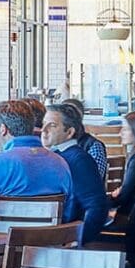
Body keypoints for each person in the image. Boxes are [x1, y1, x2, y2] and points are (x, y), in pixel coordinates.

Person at [0, 99, 75, 221]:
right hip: (50, 239)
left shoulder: (0, 162)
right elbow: (68, 213)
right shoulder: (60, 162)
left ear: (3, 129)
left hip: (3, 237)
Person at [41, 103, 108, 243]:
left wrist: (77, 241)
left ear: (69, 132)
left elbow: (97, 207)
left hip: (62, 241)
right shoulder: (56, 155)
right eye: (43, 124)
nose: (43, 130)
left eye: (52, 125)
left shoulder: (78, 160)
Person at [61, 99, 109, 178]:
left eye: (71, 113)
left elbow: (93, 179)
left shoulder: (93, 146)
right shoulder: (53, 144)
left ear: (80, 116)